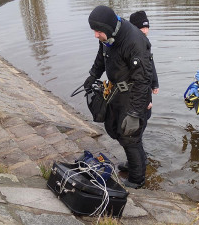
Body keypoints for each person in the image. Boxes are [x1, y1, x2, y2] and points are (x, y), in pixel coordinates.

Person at [83, 5, 153, 188]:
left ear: (106, 28)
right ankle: (134, 163)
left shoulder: (134, 41)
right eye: (94, 31)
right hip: (117, 91)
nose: (95, 35)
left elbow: (143, 79)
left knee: (130, 135)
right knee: (118, 130)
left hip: (134, 92)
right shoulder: (109, 35)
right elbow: (102, 56)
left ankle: (137, 179)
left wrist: (135, 113)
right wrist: (93, 75)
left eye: (98, 31)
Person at [117, 10, 159, 172]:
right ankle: (137, 162)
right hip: (134, 95)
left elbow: (149, 69)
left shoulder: (142, 45)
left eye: (146, 31)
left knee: (135, 132)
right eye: (141, 31)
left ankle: (139, 164)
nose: (145, 35)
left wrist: (154, 86)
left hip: (141, 97)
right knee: (132, 132)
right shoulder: (130, 45)